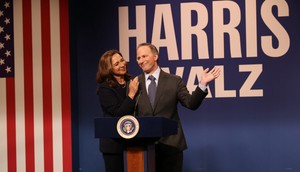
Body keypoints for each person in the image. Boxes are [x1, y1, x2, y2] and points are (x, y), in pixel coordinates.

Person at [135, 42, 221, 172]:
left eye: (144, 56)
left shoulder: (174, 80)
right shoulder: (135, 83)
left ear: (155, 56)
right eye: (138, 58)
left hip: (171, 146)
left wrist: (203, 84)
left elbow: (191, 104)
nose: (141, 61)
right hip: (145, 148)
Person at [96, 49, 139, 172]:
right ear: (108, 69)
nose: (122, 64)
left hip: (134, 141)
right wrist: (131, 95)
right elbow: (118, 114)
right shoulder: (105, 89)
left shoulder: (132, 82)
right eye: (116, 64)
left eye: (122, 60)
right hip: (112, 143)